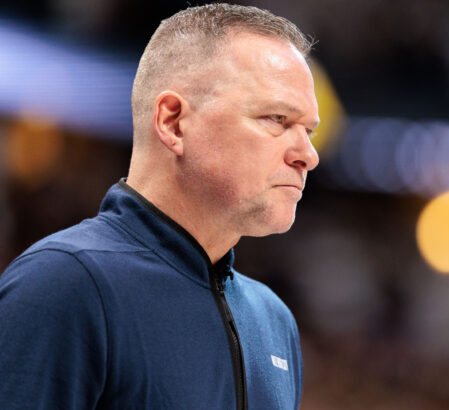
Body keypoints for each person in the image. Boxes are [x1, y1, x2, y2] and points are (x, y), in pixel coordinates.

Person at [0, 4, 319, 409]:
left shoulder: (274, 321)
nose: (308, 155)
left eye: (309, 131)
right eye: (277, 118)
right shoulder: (62, 285)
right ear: (173, 122)